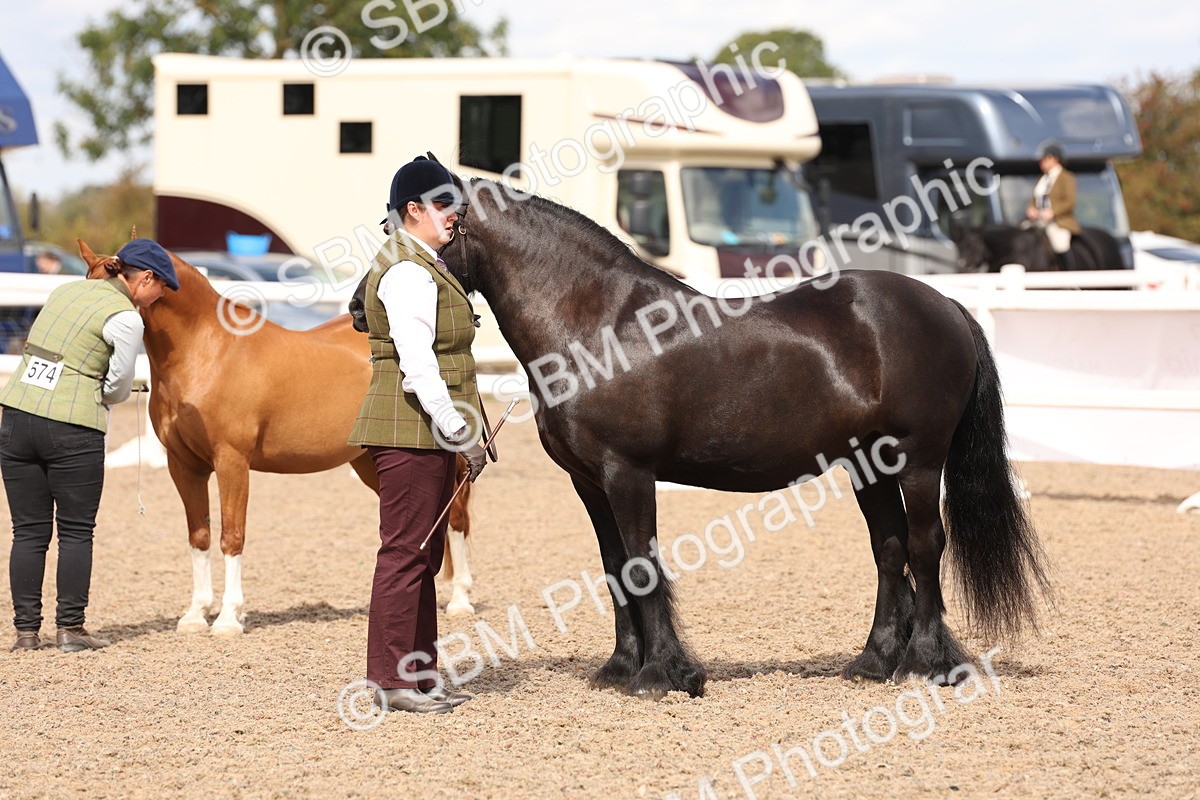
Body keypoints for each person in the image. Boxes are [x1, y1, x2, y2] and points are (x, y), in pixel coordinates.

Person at [348, 156, 487, 715]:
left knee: (424, 555)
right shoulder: (408, 271)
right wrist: (458, 430)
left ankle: (421, 674)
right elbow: (418, 363)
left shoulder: (422, 263)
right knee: (405, 553)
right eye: (445, 204)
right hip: (409, 427)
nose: (455, 215)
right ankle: (390, 679)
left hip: (420, 428)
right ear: (413, 210)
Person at [0, 238, 178, 652]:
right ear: (145, 278)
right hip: (73, 428)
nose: (160, 296)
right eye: (161, 287)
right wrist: (98, 391)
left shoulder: (64, 290)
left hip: (17, 417)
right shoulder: (127, 318)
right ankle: (70, 629)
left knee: (27, 531)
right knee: (76, 531)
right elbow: (118, 388)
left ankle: (26, 633)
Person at [1025, 142, 1081, 270]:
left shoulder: (1066, 177)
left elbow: (1070, 201)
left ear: (1055, 159)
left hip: (1058, 220)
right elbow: (1034, 198)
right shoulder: (1042, 179)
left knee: (1059, 243)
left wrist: (1052, 212)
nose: (1041, 163)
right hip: (1038, 219)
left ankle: (1067, 273)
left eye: (1045, 159)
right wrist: (1031, 209)